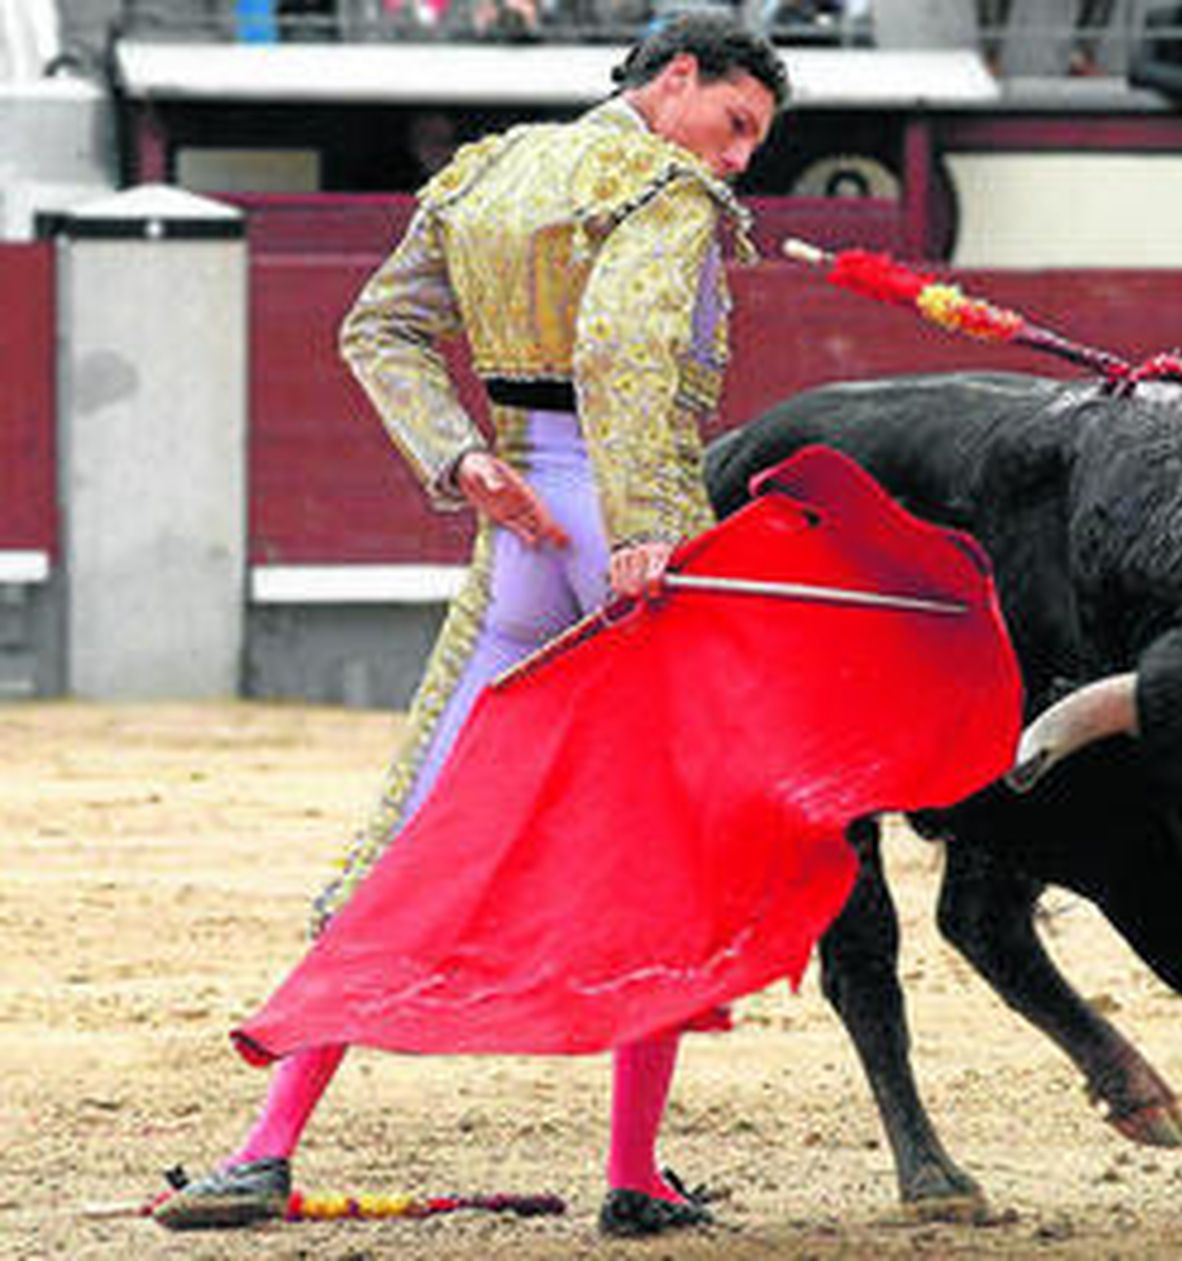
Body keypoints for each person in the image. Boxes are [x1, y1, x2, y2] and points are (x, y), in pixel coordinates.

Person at [151, 12, 787, 1239]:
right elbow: (624, 350)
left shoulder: (485, 173)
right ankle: (634, 1172)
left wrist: (460, 458)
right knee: (665, 845)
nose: (737, 156)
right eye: (735, 122)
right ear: (677, 78)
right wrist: (648, 528)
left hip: (521, 529)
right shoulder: (664, 188)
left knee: (414, 829)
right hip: (629, 536)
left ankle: (262, 1149)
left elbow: (377, 326)